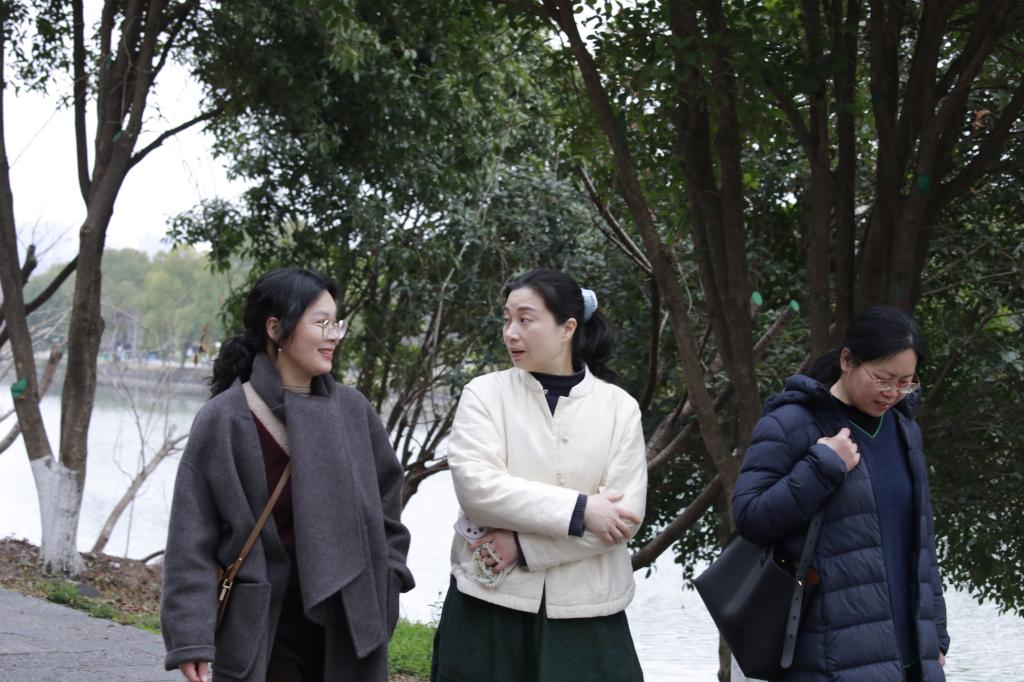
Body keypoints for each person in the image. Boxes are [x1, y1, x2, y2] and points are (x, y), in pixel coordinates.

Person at [160, 267, 414, 682]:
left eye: (337, 324)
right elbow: (192, 538)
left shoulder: (353, 412)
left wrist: (389, 574)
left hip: (350, 626)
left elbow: (388, 503)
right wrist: (190, 635)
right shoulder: (226, 419)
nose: (334, 336)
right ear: (276, 329)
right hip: (263, 628)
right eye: (321, 323)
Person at [430, 268, 648, 681]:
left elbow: (623, 518)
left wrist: (524, 545)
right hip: (489, 605)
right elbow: (478, 490)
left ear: (568, 328)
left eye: (525, 319)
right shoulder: (484, 394)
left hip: (587, 612)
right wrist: (583, 510)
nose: (510, 332)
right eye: (507, 319)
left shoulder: (619, 408)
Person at [732, 305, 949, 681]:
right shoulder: (790, 423)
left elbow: (922, 542)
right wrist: (822, 466)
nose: (892, 393)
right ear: (847, 360)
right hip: (830, 659)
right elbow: (750, 517)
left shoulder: (904, 429)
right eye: (883, 379)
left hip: (911, 657)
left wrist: (937, 636)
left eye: (905, 383)